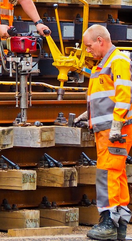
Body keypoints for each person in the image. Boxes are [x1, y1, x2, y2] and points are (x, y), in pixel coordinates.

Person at [74, 24, 132, 241]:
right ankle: (119, 224)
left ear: (100, 41)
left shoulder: (117, 61)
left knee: (107, 173)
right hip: (107, 129)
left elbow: (124, 93)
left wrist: (117, 125)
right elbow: (107, 98)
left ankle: (108, 221)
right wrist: (86, 115)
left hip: (115, 130)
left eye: (89, 46)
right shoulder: (104, 65)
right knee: (116, 174)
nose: (87, 50)